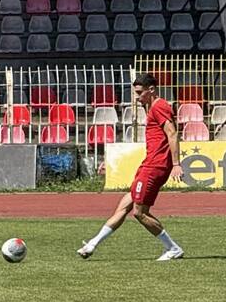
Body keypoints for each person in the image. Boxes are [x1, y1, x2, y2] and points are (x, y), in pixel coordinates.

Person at [77, 72, 184, 260]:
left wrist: (176, 163)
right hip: (149, 164)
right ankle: (92, 245)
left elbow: (172, 133)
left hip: (155, 166)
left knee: (139, 213)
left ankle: (173, 248)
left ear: (151, 90)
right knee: (124, 206)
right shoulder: (151, 106)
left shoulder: (159, 107)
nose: (137, 97)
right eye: (135, 92)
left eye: (140, 92)